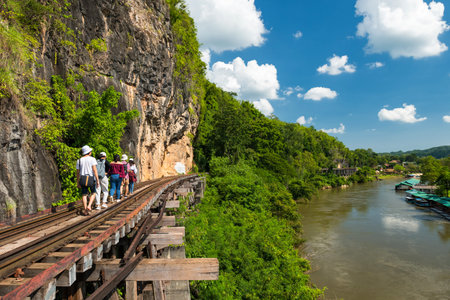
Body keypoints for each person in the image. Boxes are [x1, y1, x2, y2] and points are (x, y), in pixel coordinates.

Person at [76, 145, 100, 215]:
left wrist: (78, 182)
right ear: (89, 152)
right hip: (91, 178)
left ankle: (85, 209)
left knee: (84, 194)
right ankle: (89, 206)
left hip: (82, 178)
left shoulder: (79, 160)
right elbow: (95, 170)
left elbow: (77, 172)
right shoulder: (92, 159)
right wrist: (97, 180)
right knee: (93, 193)